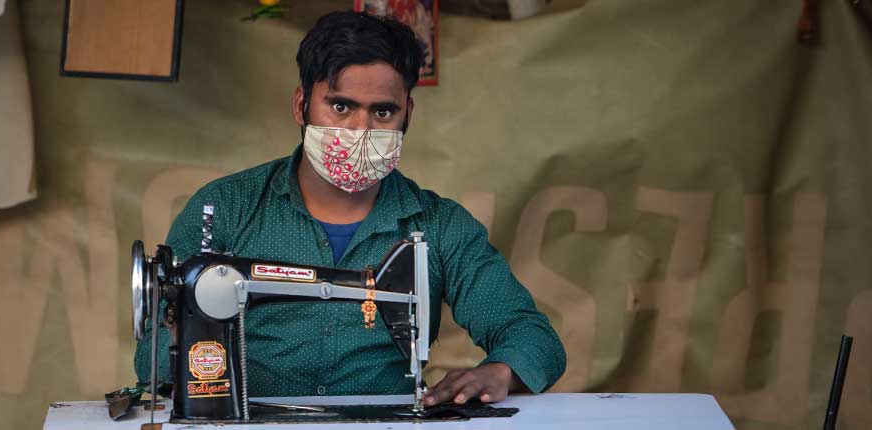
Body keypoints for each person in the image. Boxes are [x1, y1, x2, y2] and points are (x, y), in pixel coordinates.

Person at [135, 10, 565, 406]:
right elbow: (156, 340)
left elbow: (531, 335)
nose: (361, 130)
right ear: (301, 105)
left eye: (382, 111)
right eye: (340, 107)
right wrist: (195, 379)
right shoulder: (225, 209)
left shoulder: (440, 226)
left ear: (407, 114)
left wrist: (501, 370)